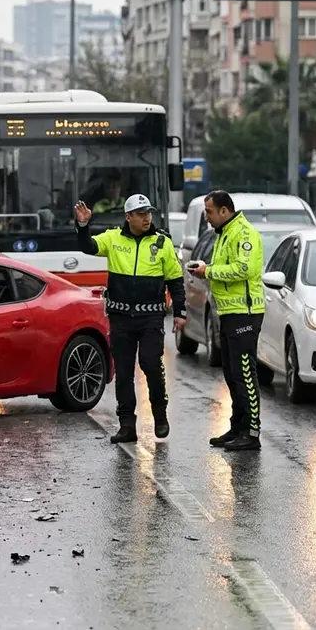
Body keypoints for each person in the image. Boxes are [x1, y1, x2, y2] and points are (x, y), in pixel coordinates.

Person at [75, 194, 185, 443]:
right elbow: (88, 247)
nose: (147, 218)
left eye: (149, 213)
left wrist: (180, 312)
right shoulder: (113, 238)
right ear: (128, 217)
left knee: (150, 364)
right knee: (123, 373)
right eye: (141, 214)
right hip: (121, 317)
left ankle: (159, 413)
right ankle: (126, 426)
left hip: (150, 318)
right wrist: (83, 225)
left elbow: (175, 282)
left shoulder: (162, 242)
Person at [189, 190, 265, 451]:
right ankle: (238, 426)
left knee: (245, 372)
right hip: (228, 312)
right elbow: (224, 268)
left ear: (224, 210)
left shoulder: (243, 234)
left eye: (209, 212)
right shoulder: (223, 234)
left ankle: (252, 432)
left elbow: (245, 269)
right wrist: (204, 268)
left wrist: (208, 271)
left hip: (245, 311)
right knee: (232, 374)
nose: (207, 217)